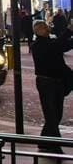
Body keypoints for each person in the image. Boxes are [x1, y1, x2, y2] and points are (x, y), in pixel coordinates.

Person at [31, 19, 73, 152]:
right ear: (37, 31)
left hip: (57, 81)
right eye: (43, 27)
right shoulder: (38, 45)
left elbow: (63, 45)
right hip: (46, 83)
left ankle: (44, 141)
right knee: (51, 114)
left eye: (45, 26)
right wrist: (69, 31)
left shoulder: (50, 41)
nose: (46, 28)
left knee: (56, 113)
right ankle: (55, 145)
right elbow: (55, 46)